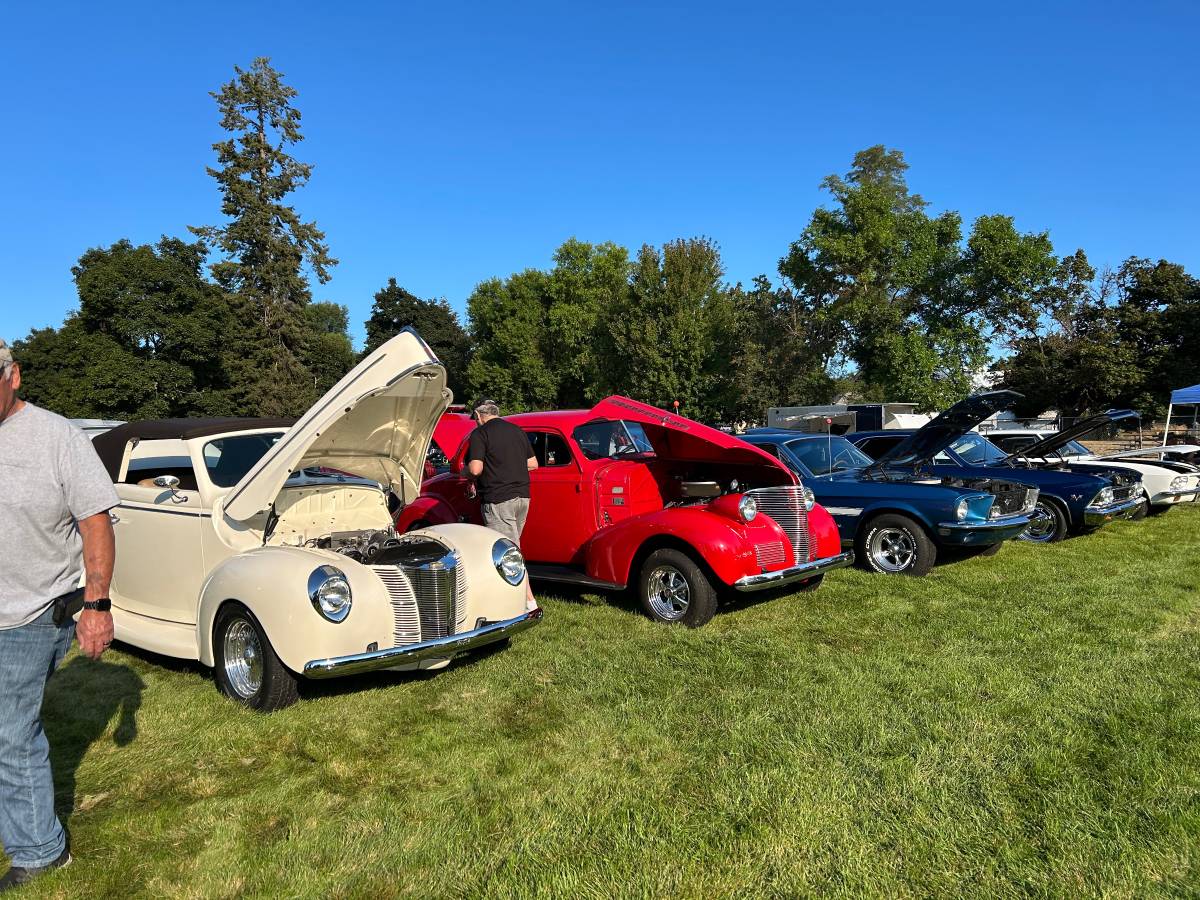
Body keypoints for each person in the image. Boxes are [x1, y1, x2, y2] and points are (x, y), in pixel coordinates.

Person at [0, 339, 119, 892]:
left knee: (10, 732)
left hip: (32, 612)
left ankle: (41, 850)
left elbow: (96, 521)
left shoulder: (57, 438)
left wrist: (96, 605)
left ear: (14, 376)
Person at [465, 400, 538, 608]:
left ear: (478, 416)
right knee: (513, 547)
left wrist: (465, 472)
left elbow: (476, 469)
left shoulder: (480, 434)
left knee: (507, 553)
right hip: (523, 497)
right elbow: (533, 463)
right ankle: (519, 598)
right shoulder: (517, 430)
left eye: (475, 419)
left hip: (499, 499)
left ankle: (527, 602)